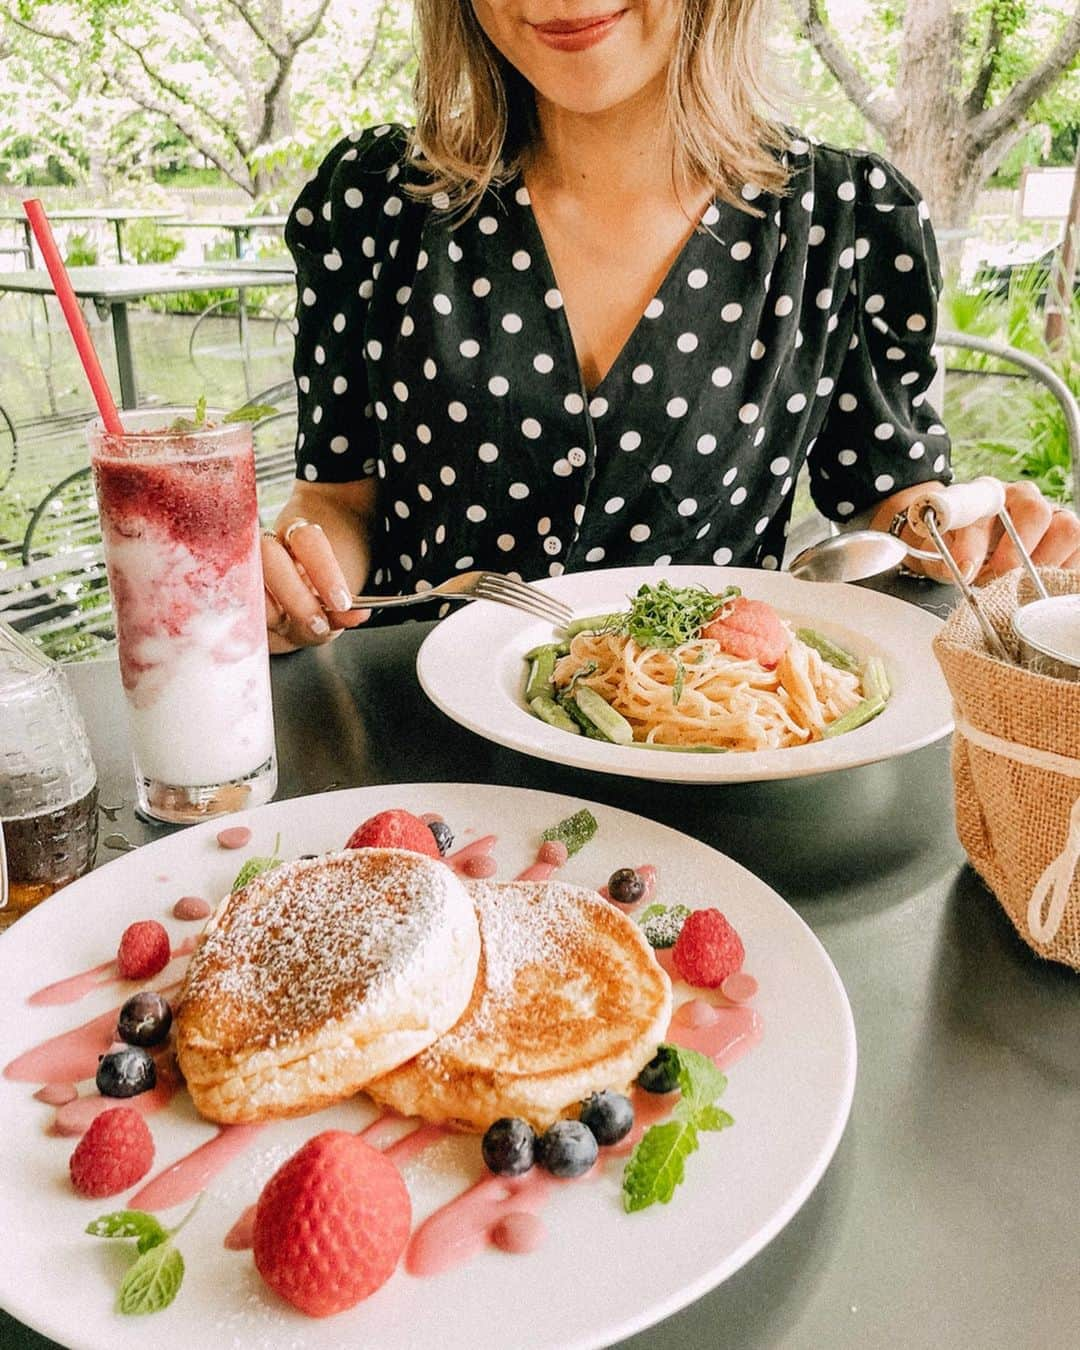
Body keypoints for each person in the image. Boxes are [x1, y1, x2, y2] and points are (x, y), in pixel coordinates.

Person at [262, 0, 1080, 652]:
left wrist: (949, 530)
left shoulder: (846, 220)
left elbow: (886, 505)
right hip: (418, 739)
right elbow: (338, 501)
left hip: (709, 753)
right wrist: (293, 577)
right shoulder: (376, 203)